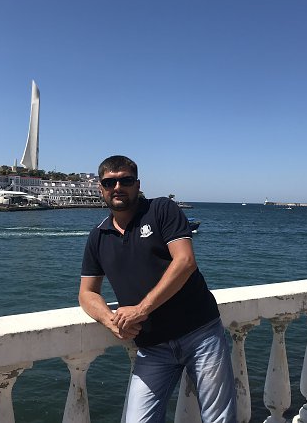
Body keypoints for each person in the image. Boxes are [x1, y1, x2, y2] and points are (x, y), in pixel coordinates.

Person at [79, 155, 237, 423]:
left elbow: (185, 261)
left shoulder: (161, 209)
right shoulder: (98, 236)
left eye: (125, 180)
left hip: (200, 334)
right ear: (100, 189)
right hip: (152, 347)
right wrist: (110, 320)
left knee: (219, 418)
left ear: (137, 184)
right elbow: (87, 293)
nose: (117, 187)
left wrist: (141, 309)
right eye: (109, 182)